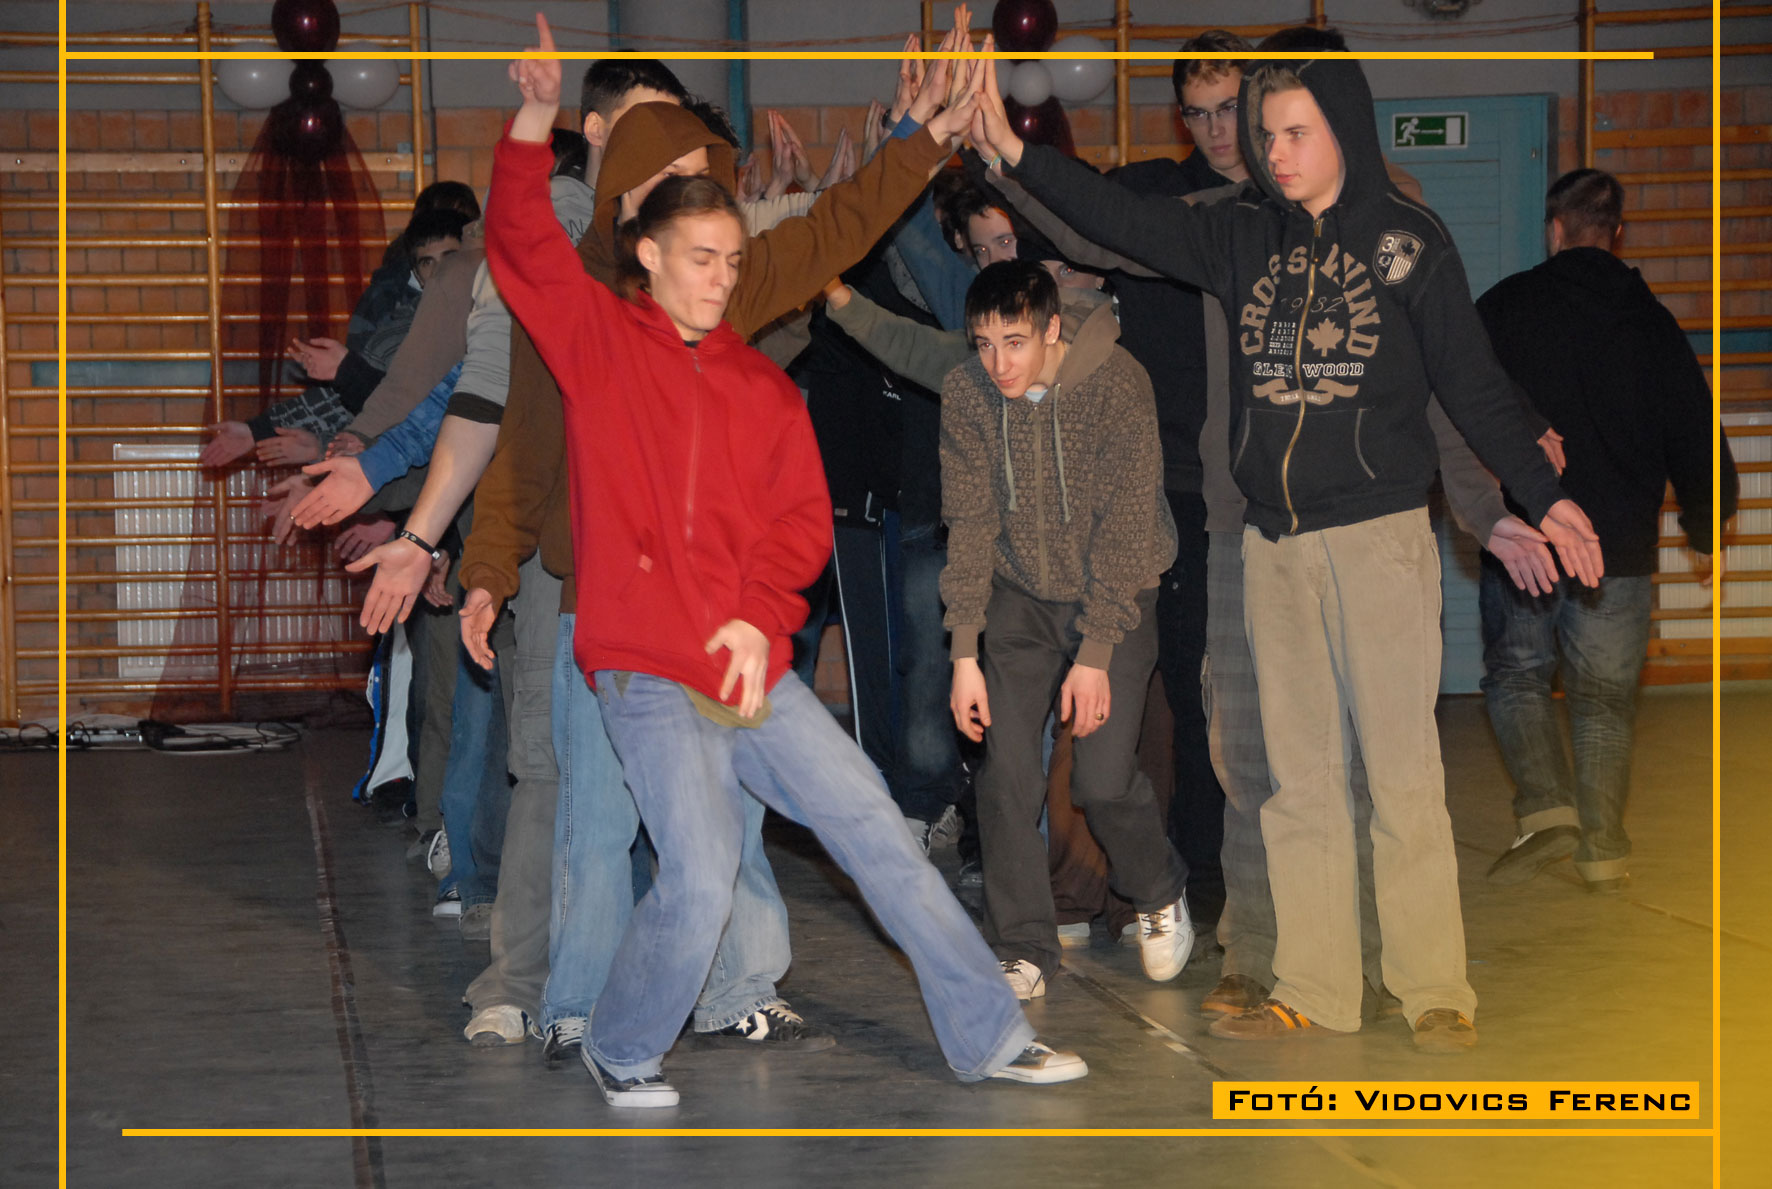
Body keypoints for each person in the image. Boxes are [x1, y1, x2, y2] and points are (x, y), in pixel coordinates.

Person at [486, 14, 1084, 1107]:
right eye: (701, 259)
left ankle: (990, 1035)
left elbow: (799, 526)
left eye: (732, 261)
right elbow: (521, 243)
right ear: (647, 252)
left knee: (879, 832)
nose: (723, 280)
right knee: (700, 869)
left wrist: (760, 621)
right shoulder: (597, 343)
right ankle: (621, 1041)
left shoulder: (758, 385)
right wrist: (532, 120)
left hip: (745, 667)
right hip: (645, 671)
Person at [969, 46, 1607, 1052]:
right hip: (1272, 543)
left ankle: (1431, 984)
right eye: (1267, 135)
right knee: (1296, 779)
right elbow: (1118, 222)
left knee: (1399, 775)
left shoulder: (1405, 243)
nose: (1274, 151)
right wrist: (1010, 149)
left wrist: (1542, 495)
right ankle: (1315, 983)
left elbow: (1470, 382)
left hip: (1378, 538)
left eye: (1295, 132)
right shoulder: (1239, 236)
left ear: (1343, 127)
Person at [1475, 168, 1737, 893]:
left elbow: (1461, 393)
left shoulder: (1504, 306)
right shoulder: (1651, 322)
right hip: (1616, 550)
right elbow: (1694, 427)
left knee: (1517, 675)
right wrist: (1706, 524)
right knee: (1603, 704)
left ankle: (1547, 808)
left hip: (1528, 541)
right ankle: (1603, 850)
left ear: (1554, 230)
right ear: (1616, 233)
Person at [941, 260, 1193, 1000]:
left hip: (1116, 590)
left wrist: (1097, 652)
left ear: (1052, 328)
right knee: (1006, 772)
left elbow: (1127, 525)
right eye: (984, 344)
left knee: (1100, 780)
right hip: (1019, 598)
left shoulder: (1118, 382)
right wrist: (964, 651)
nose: (999, 364)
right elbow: (970, 524)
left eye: (1015, 342)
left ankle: (1159, 887)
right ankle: (1023, 944)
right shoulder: (967, 394)